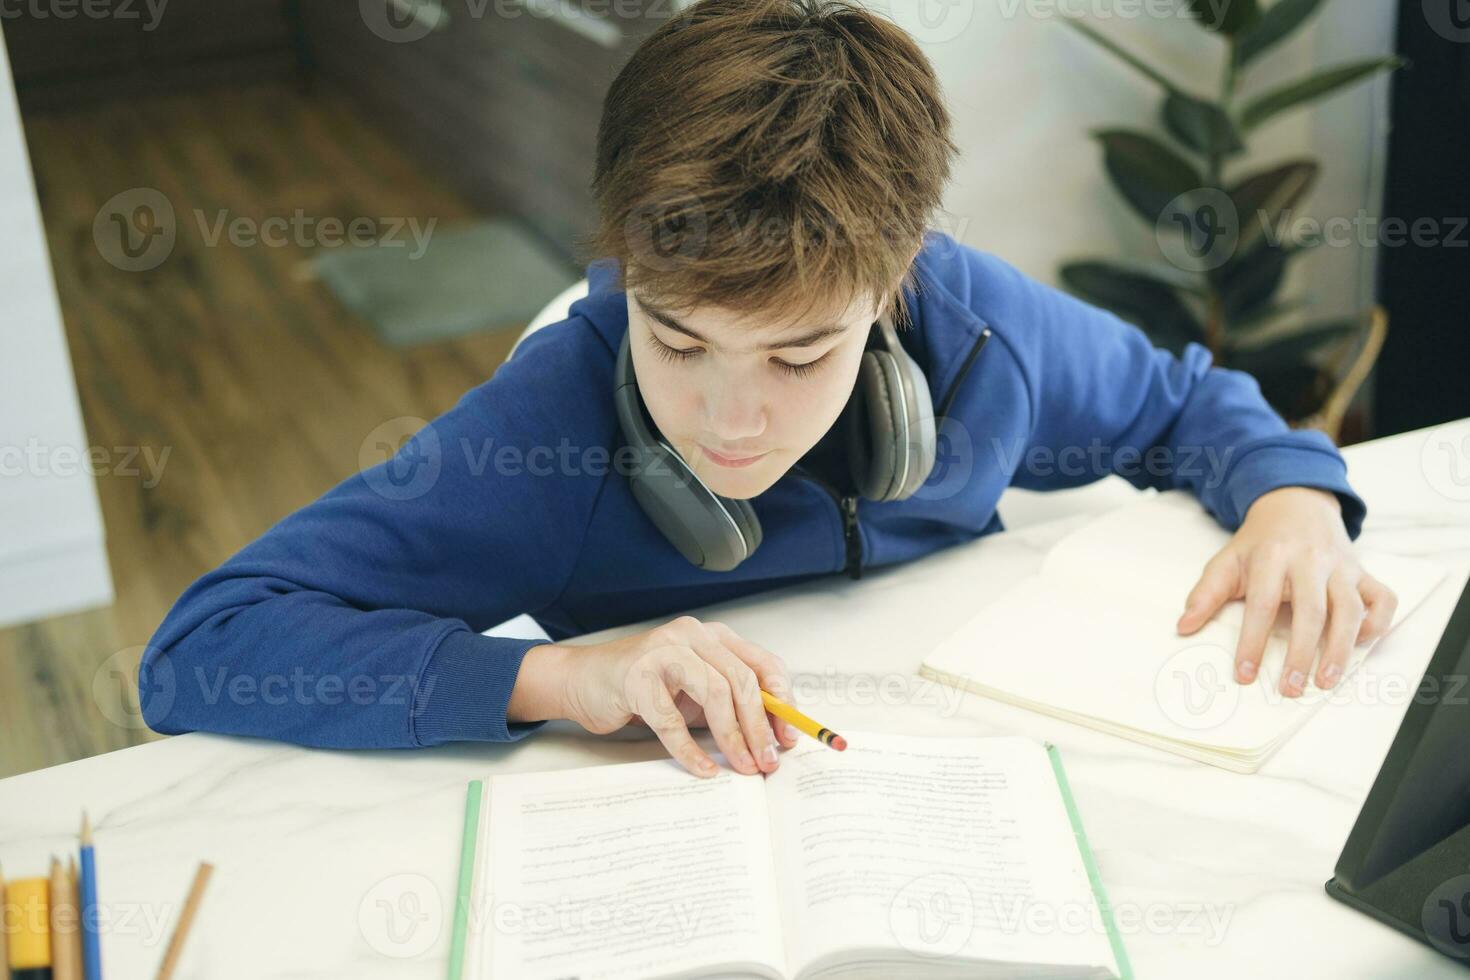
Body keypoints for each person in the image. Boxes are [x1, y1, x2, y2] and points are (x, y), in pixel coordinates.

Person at [141, 0, 1396, 778]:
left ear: (894, 282)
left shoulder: (971, 330)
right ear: (627, 261)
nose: (731, 423)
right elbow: (203, 646)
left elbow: (1182, 402)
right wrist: (558, 677)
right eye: (679, 343)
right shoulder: (550, 430)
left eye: (801, 357)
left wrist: (1291, 495)